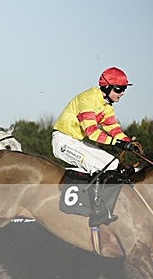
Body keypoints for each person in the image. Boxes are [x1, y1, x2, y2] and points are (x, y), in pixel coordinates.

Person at [52, 66, 139, 226]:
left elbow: (113, 129)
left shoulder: (107, 106)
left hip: (77, 142)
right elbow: (92, 132)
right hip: (63, 141)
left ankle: (110, 205)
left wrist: (127, 141)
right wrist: (117, 143)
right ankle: (97, 213)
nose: (122, 93)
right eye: (120, 89)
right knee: (97, 167)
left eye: (124, 89)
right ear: (107, 87)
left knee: (113, 164)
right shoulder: (87, 99)